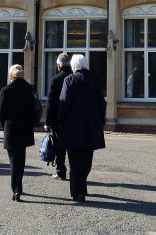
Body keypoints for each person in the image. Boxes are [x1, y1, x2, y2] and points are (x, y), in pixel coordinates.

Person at [58, 54, 106, 203]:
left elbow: (64, 102)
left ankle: (77, 192)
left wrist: (61, 121)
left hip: (74, 127)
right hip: (92, 126)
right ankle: (82, 187)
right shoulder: (94, 79)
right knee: (87, 160)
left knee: (75, 162)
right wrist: (100, 120)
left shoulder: (70, 80)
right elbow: (101, 103)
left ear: (73, 66)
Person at [0, 64, 36, 201]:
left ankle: (16, 189)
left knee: (14, 160)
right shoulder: (29, 89)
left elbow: (1, 113)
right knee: (21, 159)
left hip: (11, 128)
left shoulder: (6, 90)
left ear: (11, 75)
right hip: (25, 128)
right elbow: (33, 110)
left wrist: (5, 127)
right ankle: (19, 186)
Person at [43, 52, 72, 180]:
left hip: (58, 119)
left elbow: (51, 103)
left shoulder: (55, 79)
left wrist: (47, 122)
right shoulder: (74, 77)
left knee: (59, 146)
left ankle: (61, 171)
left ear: (59, 65)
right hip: (73, 118)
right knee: (72, 145)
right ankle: (75, 172)